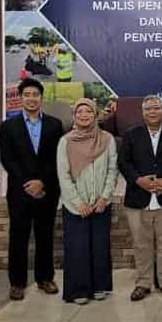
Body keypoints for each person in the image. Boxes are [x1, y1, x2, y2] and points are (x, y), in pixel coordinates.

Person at [0, 78, 65, 301]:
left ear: (41, 97)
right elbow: (7, 159)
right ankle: (17, 283)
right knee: (18, 237)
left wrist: (42, 182)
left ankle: (45, 278)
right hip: (20, 190)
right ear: (21, 98)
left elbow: (57, 158)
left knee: (45, 235)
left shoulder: (55, 125)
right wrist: (28, 182)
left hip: (47, 190)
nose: (31, 98)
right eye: (27, 94)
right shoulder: (9, 126)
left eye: (35, 94)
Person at [117, 95, 162, 301]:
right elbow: (123, 163)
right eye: (148, 109)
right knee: (141, 245)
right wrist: (138, 180)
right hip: (138, 198)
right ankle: (143, 283)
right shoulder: (131, 135)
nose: (152, 112)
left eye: (156, 108)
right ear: (143, 112)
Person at [58, 98, 118, 304]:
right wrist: (78, 203)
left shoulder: (107, 139)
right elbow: (63, 176)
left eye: (89, 112)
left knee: (100, 247)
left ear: (96, 115)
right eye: (80, 112)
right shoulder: (65, 141)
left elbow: (112, 170)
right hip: (75, 205)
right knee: (78, 248)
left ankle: (100, 286)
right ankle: (79, 290)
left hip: (101, 203)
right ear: (74, 116)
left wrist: (104, 197)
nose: (84, 115)